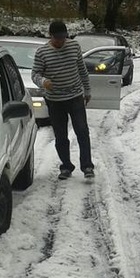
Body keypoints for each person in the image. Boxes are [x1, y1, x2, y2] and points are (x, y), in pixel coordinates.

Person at [32, 20, 95, 180]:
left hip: (75, 97)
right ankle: (66, 166)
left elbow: (82, 69)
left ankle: (87, 166)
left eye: (63, 37)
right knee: (60, 136)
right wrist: (43, 82)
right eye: (57, 38)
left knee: (82, 131)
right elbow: (35, 74)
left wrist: (87, 90)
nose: (61, 41)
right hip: (55, 100)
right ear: (50, 36)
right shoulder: (42, 52)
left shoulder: (74, 46)